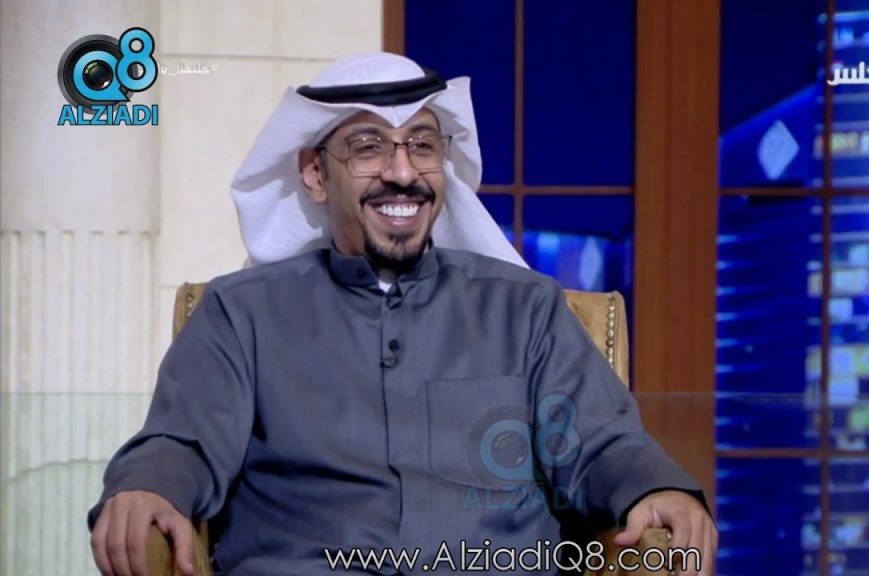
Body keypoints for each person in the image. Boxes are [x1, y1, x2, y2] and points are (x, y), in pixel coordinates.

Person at [88, 52, 717, 576]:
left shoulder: (525, 310)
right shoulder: (239, 313)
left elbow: (601, 443)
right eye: (368, 148)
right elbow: (183, 439)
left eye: (421, 146)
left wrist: (655, 487)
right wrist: (150, 486)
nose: (402, 172)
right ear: (314, 174)